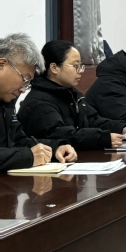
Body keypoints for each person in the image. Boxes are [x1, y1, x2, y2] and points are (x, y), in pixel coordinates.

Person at [18, 40, 126, 150]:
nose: (80, 71)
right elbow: (60, 135)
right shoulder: (39, 102)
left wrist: (122, 128)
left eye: (81, 66)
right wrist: (101, 138)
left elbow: (92, 120)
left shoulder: (71, 93)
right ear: (54, 68)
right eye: (75, 66)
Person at [0, 33, 77, 171]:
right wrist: (28, 156)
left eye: (28, 83)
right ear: (2, 64)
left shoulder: (6, 101)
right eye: (24, 79)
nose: (23, 89)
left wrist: (55, 148)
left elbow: (18, 140)